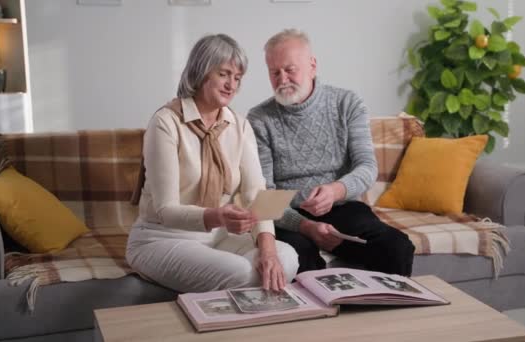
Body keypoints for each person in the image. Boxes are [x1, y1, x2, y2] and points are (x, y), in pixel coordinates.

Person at [126, 34, 299, 294]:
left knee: (286, 259)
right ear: (202, 71)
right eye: (224, 74)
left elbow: (257, 195)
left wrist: (267, 250)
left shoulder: (239, 125)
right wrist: (218, 216)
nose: (232, 85)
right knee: (241, 273)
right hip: (162, 237)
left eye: (237, 78)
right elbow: (165, 209)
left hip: (218, 238)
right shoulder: (166, 122)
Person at [247, 29, 415, 276]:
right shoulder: (259, 119)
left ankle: (383, 310)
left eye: (290, 69)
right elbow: (265, 196)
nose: (282, 79)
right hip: (287, 215)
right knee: (299, 256)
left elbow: (367, 168)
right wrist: (305, 226)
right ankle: (319, 313)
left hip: (343, 207)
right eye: (274, 72)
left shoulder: (347, 103)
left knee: (398, 248)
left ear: (312, 65)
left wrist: (335, 190)